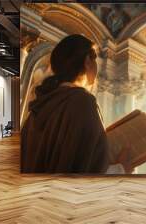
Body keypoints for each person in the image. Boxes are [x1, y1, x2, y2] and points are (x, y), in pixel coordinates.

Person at [21, 34, 129, 174]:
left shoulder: (39, 107)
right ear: (87, 61)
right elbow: (85, 172)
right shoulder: (83, 102)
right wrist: (121, 169)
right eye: (95, 58)